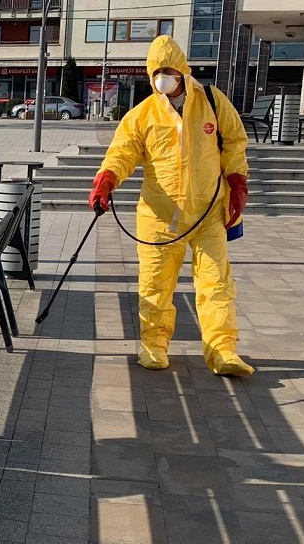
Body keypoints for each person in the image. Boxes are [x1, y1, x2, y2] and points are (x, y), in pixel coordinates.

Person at [89, 35, 254, 377]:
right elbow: (123, 152)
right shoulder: (143, 114)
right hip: (159, 217)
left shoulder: (212, 101)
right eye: (157, 71)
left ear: (182, 69)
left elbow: (235, 142)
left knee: (216, 284)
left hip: (208, 211)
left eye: (169, 69)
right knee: (155, 286)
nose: (163, 76)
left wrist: (237, 182)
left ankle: (223, 351)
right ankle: (154, 345)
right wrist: (106, 180)